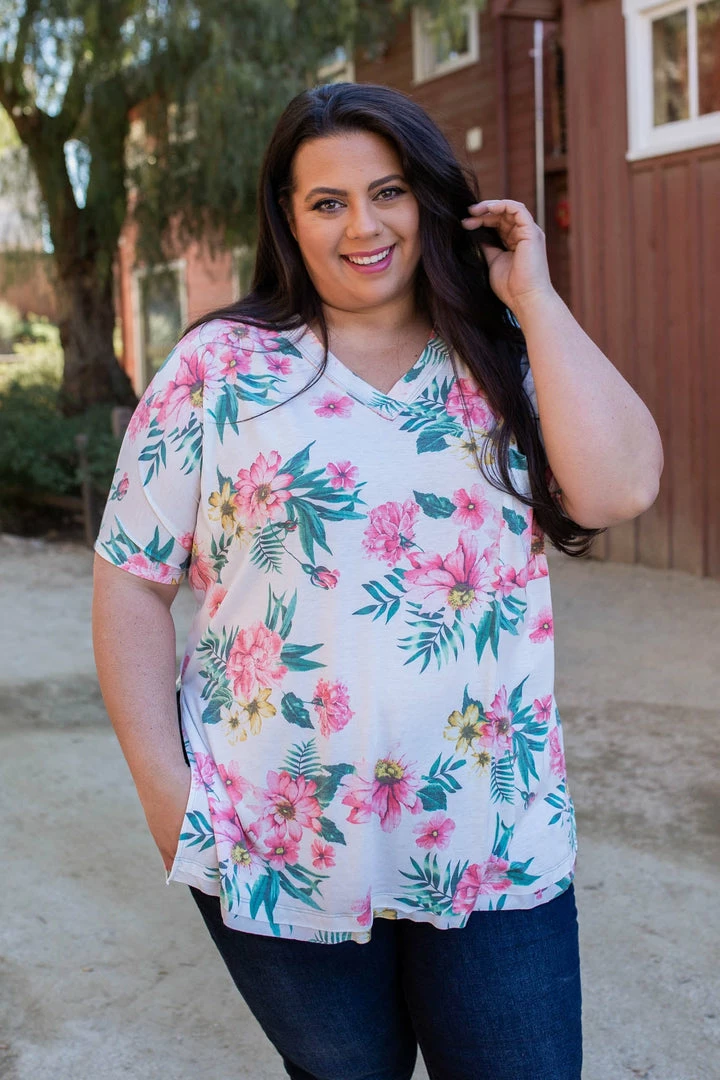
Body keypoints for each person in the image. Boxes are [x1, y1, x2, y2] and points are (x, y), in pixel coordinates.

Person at [92, 82, 663, 1080]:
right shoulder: (219, 368)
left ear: (429, 199)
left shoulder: (506, 357)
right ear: (288, 218)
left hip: (492, 836)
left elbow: (620, 489)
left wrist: (533, 299)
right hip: (275, 833)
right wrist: (164, 792)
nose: (364, 225)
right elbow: (132, 580)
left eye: (388, 191)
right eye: (328, 201)